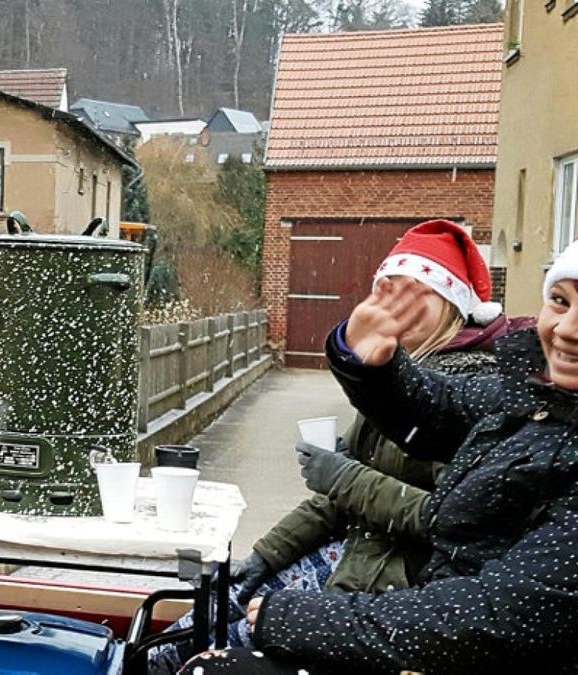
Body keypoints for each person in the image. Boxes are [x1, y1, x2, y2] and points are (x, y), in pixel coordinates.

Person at [181, 237, 578, 674]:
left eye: (417, 295)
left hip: (403, 592)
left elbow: (495, 616)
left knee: (212, 658)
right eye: (560, 301)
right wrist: (369, 367)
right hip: (388, 585)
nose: (566, 330)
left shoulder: (492, 372)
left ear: (453, 306)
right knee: (202, 622)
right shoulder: (535, 395)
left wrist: (343, 481)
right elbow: (433, 411)